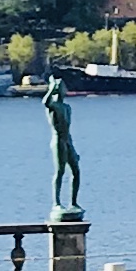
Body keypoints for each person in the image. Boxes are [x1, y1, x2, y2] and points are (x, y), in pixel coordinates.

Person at [41, 70, 82, 214]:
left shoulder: (67, 108)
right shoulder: (53, 106)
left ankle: (74, 202)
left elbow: (68, 130)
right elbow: (45, 102)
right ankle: (56, 203)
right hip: (58, 140)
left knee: (76, 171)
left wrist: (73, 149)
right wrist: (51, 89)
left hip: (67, 141)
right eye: (62, 87)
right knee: (60, 171)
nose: (65, 89)